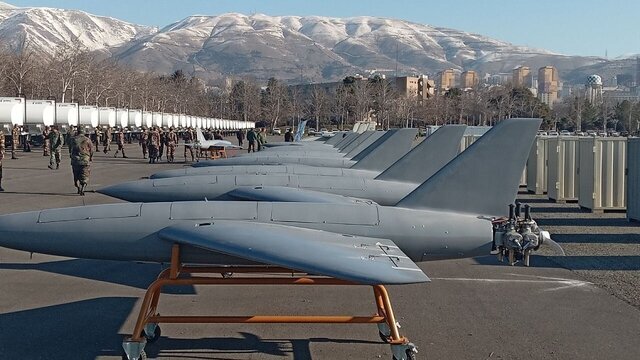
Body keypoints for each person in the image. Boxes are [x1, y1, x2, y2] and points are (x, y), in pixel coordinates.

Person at [69, 127, 93, 196]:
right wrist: (90, 157)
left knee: (76, 175)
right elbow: (91, 150)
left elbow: (70, 149)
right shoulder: (87, 140)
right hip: (85, 160)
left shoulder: (73, 139)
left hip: (75, 161)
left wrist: (72, 156)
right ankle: (83, 187)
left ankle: (77, 186)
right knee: (85, 175)